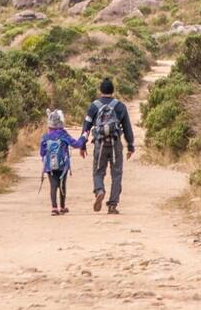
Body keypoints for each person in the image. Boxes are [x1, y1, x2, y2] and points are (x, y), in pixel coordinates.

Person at [78, 77, 135, 214]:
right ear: (112, 90)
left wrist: (82, 145)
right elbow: (127, 128)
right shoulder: (120, 106)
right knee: (116, 174)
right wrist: (130, 146)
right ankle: (112, 205)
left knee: (98, 171)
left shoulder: (94, 106)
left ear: (101, 90)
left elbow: (86, 126)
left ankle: (99, 190)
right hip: (115, 144)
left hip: (100, 144)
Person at [40, 109, 84, 216]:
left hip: (49, 166)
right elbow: (76, 144)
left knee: (53, 185)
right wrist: (84, 136)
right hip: (63, 165)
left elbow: (42, 153)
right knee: (62, 185)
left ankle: (54, 208)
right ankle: (63, 207)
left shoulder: (45, 137)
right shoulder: (63, 135)